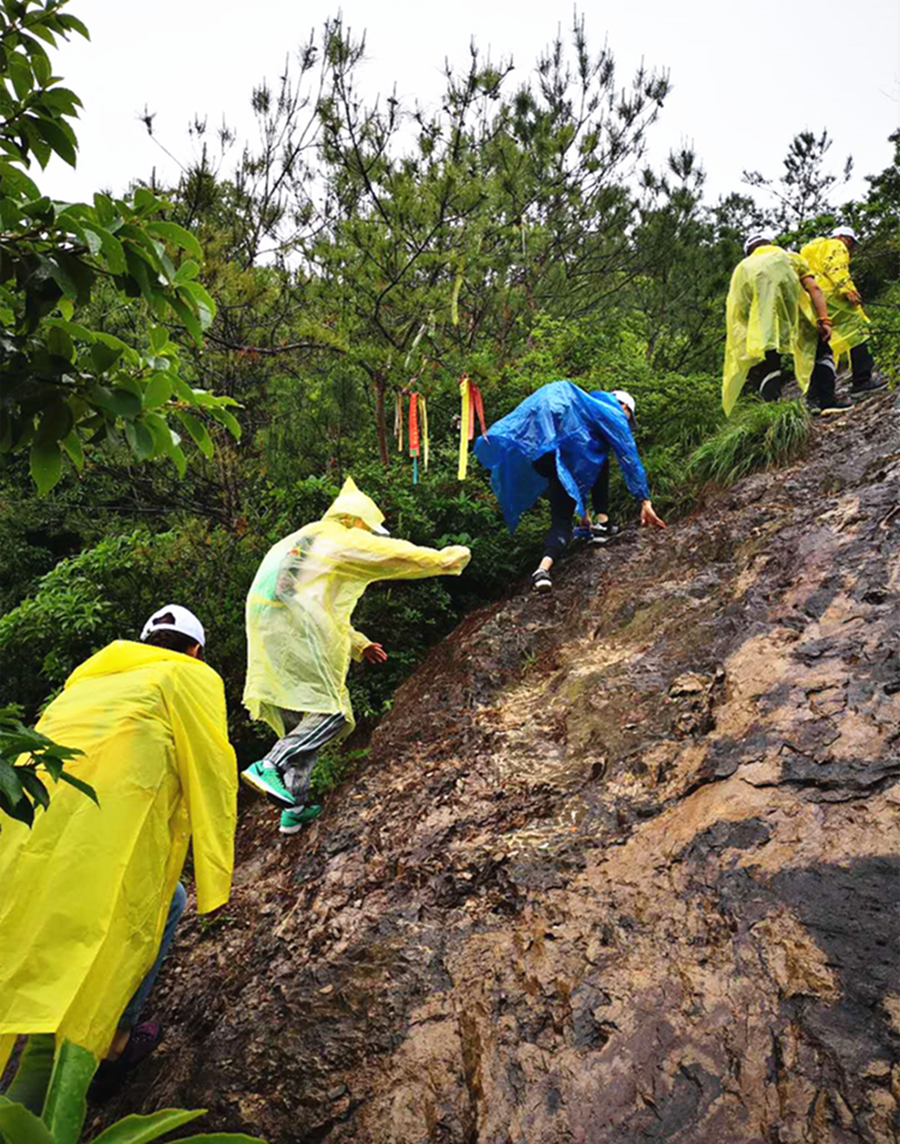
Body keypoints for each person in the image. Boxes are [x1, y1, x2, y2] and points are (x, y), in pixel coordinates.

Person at [0, 606, 237, 1105]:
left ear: (146, 640)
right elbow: (213, 767)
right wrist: (218, 878)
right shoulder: (190, 677)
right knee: (159, 904)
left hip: (29, 839)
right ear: (195, 650)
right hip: (105, 841)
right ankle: (113, 1042)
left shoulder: (85, 684)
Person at [241, 477, 470, 834]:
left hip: (266, 633)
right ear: (357, 520)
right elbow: (394, 553)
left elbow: (313, 601)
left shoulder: (298, 541)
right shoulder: (341, 537)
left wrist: (359, 643)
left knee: (301, 721)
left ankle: (295, 807)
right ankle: (268, 764)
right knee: (330, 713)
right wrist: (443, 559)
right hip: (297, 631)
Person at [472, 380, 666, 594]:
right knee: (564, 518)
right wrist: (644, 500)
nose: (627, 422)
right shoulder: (612, 413)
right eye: (629, 418)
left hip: (546, 456)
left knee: (591, 469)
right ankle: (547, 566)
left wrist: (583, 514)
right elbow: (628, 457)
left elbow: (581, 463)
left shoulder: (583, 405)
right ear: (625, 407)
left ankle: (591, 530)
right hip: (560, 457)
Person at [722, 231, 850, 416]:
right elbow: (813, 288)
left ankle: (774, 414)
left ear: (749, 252)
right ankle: (824, 402)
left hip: (763, 324)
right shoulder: (790, 257)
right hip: (799, 315)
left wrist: (746, 340)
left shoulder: (742, 268)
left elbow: (738, 307)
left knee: (767, 363)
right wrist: (824, 320)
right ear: (770, 243)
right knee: (819, 351)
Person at [800, 226, 887, 399]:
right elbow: (836, 267)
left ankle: (816, 395)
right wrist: (848, 290)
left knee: (823, 341)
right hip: (833, 296)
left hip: (815, 298)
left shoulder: (812, 250)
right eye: (850, 241)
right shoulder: (836, 245)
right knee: (861, 331)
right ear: (841, 236)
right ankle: (862, 382)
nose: (850, 247)